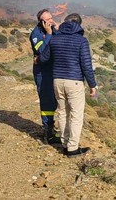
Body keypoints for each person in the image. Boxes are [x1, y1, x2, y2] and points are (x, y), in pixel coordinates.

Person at [39, 13, 97, 157]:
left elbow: (43, 58)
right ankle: (73, 148)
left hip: (57, 80)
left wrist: (49, 37)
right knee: (76, 115)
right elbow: (86, 65)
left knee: (63, 112)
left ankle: (65, 144)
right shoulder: (81, 41)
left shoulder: (55, 39)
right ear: (79, 25)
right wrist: (92, 85)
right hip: (74, 81)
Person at [29, 8, 60, 144]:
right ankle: (48, 131)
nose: (51, 21)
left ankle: (52, 127)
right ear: (42, 22)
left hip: (54, 70)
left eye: (51, 18)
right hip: (43, 73)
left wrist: (56, 31)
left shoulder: (54, 30)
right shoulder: (36, 34)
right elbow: (41, 51)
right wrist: (48, 34)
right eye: (48, 20)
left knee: (54, 101)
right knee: (47, 101)